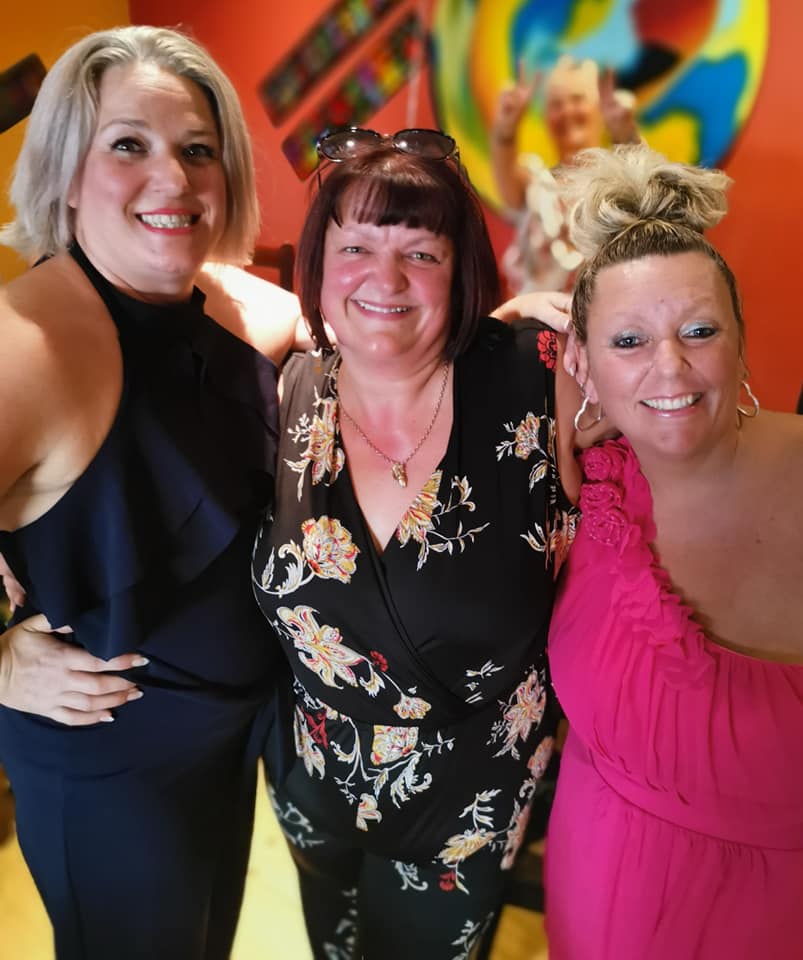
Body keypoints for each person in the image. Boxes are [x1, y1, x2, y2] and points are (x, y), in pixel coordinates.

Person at [0, 25, 298, 959]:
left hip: (229, 746)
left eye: (197, 150)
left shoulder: (248, 310)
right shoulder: (23, 344)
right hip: (110, 766)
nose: (172, 178)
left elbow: (387, 334)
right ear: (66, 172)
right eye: (128, 144)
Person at [250, 126, 582, 959]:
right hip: (312, 784)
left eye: (421, 253)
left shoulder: (538, 379)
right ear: (318, 266)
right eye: (355, 247)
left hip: (464, 814)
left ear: (461, 271)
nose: (384, 277)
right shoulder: (283, 392)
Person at [544, 145, 803, 958]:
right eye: (629, 340)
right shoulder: (594, 479)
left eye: (698, 331)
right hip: (593, 886)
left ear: (739, 341)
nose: (669, 367)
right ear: (582, 363)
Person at [491, 56, 639, 295]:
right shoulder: (537, 185)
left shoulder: (621, 180)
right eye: (556, 105)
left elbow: (648, 189)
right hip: (542, 315)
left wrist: (627, 135)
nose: (567, 111)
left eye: (577, 99)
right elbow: (506, 176)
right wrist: (505, 128)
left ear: (599, 108)